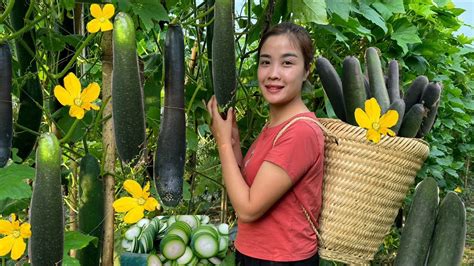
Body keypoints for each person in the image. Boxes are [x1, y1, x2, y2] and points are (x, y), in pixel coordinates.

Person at [207, 22, 324, 265]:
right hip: (255, 255)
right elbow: (247, 189)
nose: (273, 73)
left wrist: (223, 145)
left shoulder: (301, 131)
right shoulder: (273, 127)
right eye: (265, 62)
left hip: (282, 260)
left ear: (306, 71)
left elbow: (248, 209)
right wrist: (234, 143)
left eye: (287, 63)